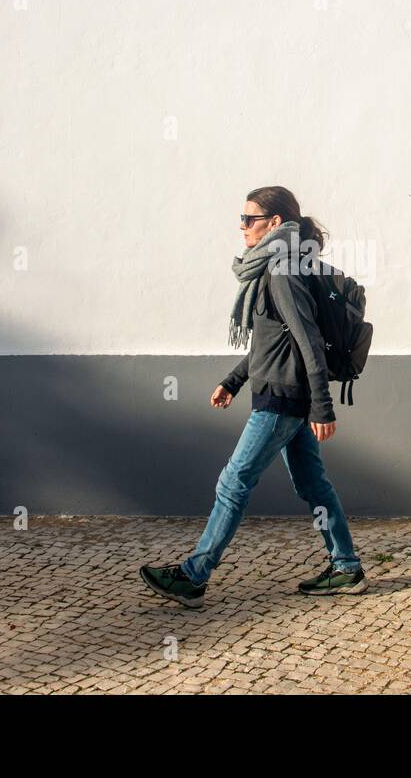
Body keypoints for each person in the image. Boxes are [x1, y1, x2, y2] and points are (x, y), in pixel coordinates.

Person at [140, 186, 366, 609]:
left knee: (234, 481)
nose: (241, 227)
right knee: (313, 484)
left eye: (250, 219)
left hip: (282, 398)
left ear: (275, 224)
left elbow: (308, 341)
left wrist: (322, 405)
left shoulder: (280, 270)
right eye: (241, 219)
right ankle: (346, 566)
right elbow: (269, 342)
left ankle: (193, 576)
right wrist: (232, 381)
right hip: (278, 391)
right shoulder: (278, 266)